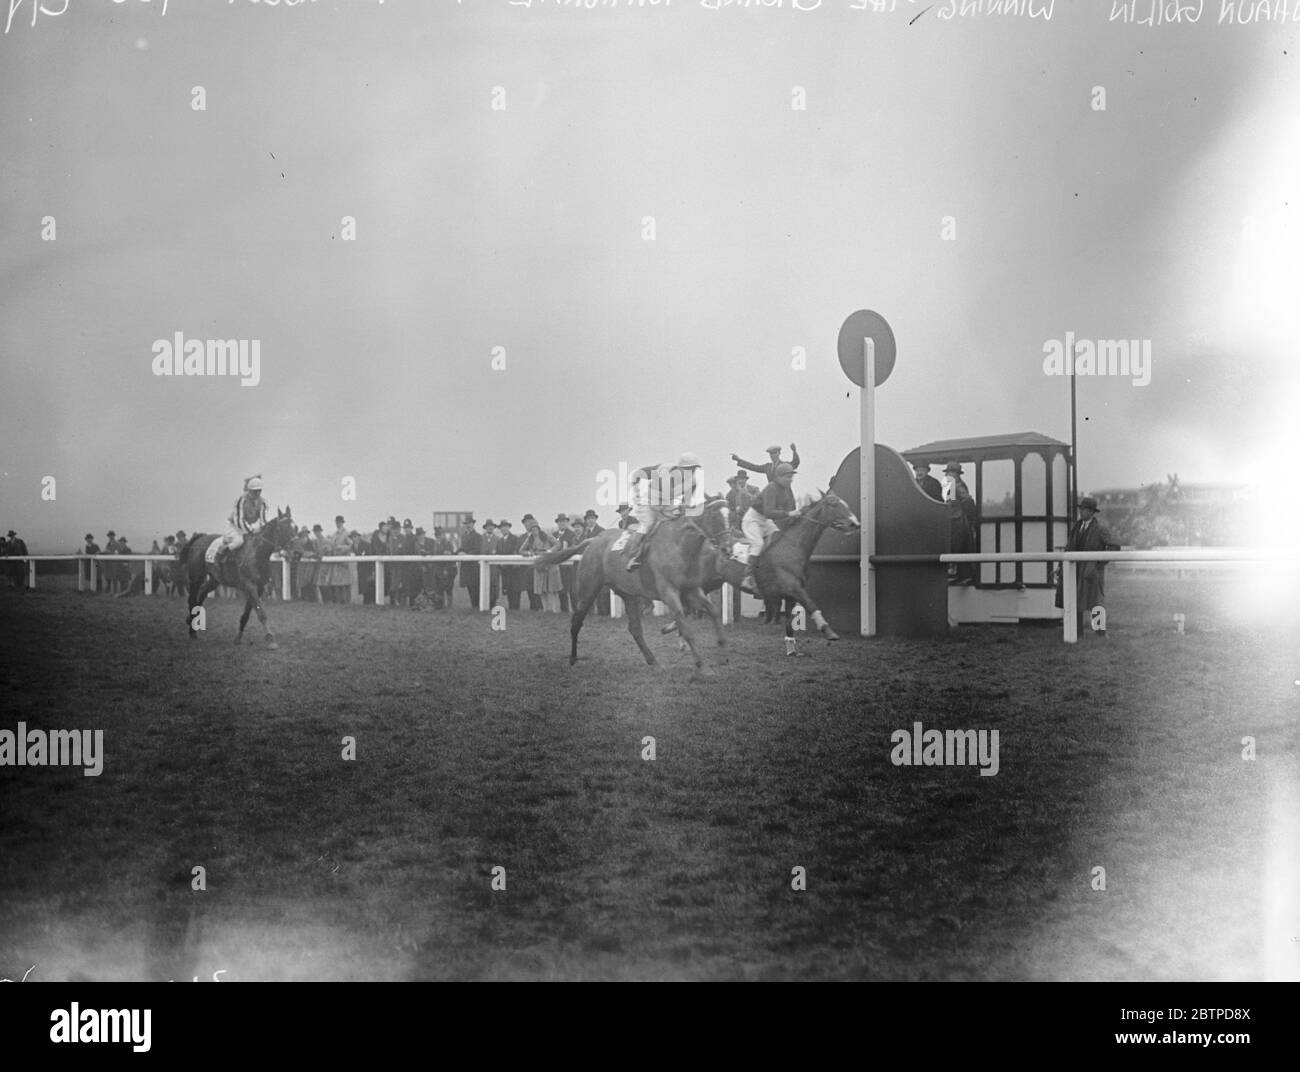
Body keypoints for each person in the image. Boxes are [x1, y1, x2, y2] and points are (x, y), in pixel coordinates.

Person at [626, 452, 704, 571]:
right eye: (688, 469)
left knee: (679, 523)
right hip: (649, 501)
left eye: (693, 469)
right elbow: (640, 473)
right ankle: (633, 556)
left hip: (667, 503)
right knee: (647, 525)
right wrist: (635, 485)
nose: (691, 472)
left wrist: (682, 509)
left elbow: (685, 504)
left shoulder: (693, 483)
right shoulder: (665, 469)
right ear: (680, 468)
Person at [740, 462, 799, 594]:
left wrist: (796, 515)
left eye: (791, 477)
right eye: (788, 477)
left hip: (765, 520)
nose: (791, 480)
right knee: (758, 544)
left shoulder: (786, 490)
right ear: (779, 477)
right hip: (752, 519)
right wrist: (789, 514)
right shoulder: (772, 488)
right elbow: (769, 512)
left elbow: (789, 510)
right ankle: (747, 577)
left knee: (779, 538)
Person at [1066, 495, 1119, 637]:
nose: (1081, 512)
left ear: (1091, 512)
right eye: (1080, 509)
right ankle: (1077, 632)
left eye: (1084, 510)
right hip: (1077, 570)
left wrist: (1099, 563)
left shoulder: (1100, 529)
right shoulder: (1076, 527)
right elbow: (1069, 548)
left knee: (1097, 601)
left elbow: (1114, 546)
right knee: (1076, 599)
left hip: (1094, 571)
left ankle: (1100, 631)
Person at [217, 475, 269, 570]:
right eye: (255, 491)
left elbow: (263, 520)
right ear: (249, 490)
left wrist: (259, 530)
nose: (257, 493)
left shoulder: (263, 502)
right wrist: (250, 530)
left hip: (250, 526)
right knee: (239, 541)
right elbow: (239, 519)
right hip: (235, 526)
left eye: (259, 490)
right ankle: (221, 554)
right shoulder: (241, 500)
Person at [944, 463, 978, 585]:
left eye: (951, 473)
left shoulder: (957, 486)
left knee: (960, 546)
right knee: (957, 547)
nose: (948, 475)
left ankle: (964, 575)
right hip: (955, 520)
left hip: (959, 521)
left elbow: (968, 500)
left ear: (956, 474)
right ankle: (960, 574)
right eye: (947, 473)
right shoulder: (952, 486)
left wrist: (968, 517)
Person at [518, 513, 555, 611]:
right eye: (532, 529)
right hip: (536, 566)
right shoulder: (528, 538)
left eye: (535, 528)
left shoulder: (546, 535)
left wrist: (549, 551)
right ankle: (541, 609)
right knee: (538, 588)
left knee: (549, 588)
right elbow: (521, 550)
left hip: (547, 564)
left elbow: (557, 544)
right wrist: (529, 553)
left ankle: (551, 609)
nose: (534, 530)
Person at [732, 443, 800, 485]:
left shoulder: (784, 466)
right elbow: (753, 467)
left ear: (779, 453)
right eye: (770, 453)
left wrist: (794, 451)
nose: (772, 455)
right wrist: (739, 460)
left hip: (783, 494)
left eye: (774, 453)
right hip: (771, 494)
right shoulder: (767, 467)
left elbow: (795, 463)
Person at [496, 519, 523, 610]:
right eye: (502, 527)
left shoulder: (515, 539)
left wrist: (507, 562)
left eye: (506, 527)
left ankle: (516, 609)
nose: (504, 529)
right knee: (507, 590)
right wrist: (500, 564)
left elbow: (516, 552)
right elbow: (497, 554)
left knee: (515, 591)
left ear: (509, 527)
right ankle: (511, 609)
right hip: (504, 571)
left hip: (514, 570)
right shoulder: (499, 541)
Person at [458, 515, 483, 609]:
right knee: (469, 586)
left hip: (474, 566)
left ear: (473, 524)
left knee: (475, 587)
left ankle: (477, 606)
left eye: (470, 523)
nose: (468, 525)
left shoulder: (478, 536)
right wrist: (457, 552)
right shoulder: (463, 536)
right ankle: (474, 606)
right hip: (465, 566)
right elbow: (461, 548)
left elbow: (477, 550)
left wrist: (466, 555)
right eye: (466, 524)